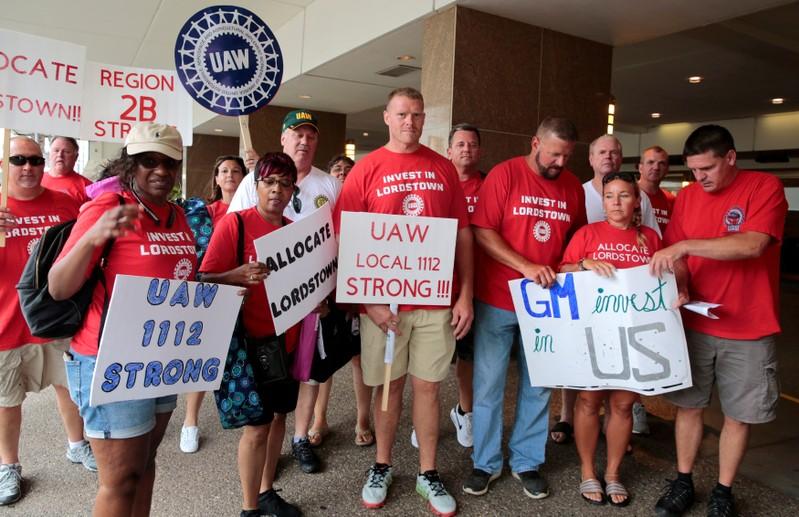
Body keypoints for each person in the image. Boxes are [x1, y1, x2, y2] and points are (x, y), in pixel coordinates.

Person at [333, 87, 474, 516]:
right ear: (386, 117)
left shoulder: (443, 168)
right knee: (389, 388)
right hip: (385, 307)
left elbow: (463, 233)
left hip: (434, 302)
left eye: (416, 114)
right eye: (401, 114)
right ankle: (382, 465)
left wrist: (465, 294)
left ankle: (428, 473)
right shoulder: (367, 169)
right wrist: (365, 304)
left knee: (429, 389)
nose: (409, 121)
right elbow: (345, 240)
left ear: (423, 118)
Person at [48, 123, 195, 516]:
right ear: (130, 164)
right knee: (119, 481)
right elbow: (58, 286)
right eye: (150, 161)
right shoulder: (107, 207)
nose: (161, 171)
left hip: (161, 358)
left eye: (170, 163)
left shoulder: (176, 215)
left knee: (144, 466)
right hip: (109, 358)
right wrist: (95, 234)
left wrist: (224, 280)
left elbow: (177, 279)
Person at [651, 125, 787, 517]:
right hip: (696, 324)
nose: (700, 178)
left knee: (739, 414)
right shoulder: (689, 197)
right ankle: (682, 480)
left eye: (707, 168)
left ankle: (723, 491)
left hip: (748, 326)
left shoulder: (763, 187)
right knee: (688, 406)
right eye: (693, 170)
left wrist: (685, 245)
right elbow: (678, 259)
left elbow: (753, 243)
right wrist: (679, 282)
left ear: (730, 157)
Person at [464, 117, 586, 500]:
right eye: (553, 154)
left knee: (539, 384)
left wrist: (571, 266)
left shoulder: (571, 187)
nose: (560, 163)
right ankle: (485, 462)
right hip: (499, 298)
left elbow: (576, 240)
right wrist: (526, 266)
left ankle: (527, 461)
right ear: (535, 142)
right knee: (488, 385)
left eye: (566, 156)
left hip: (546, 304)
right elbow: (483, 232)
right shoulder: (503, 175)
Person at [229, 110, 341, 475]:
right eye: (297, 134)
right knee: (270, 373)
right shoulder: (253, 181)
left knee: (307, 369)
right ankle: (264, 447)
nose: (304, 141)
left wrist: (330, 288)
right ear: (283, 139)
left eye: (310, 136)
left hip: (310, 293)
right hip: (262, 296)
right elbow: (237, 227)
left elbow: (338, 238)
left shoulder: (329, 185)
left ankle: (301, 437)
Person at [201, 152, 302, 517]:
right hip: (248, 345)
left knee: (277, 418)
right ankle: (249, 509)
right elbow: (205, 278)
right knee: (257, 427)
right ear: (256, 185)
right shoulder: (236, 225)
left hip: (286, 343)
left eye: (285, 184)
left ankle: (266, 491)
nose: (277, 190)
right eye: (269, 182)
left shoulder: (294, 230)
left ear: (293, 190)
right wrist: (238, 274)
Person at [0, 137, 95, 506]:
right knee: (8, 402)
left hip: (54, 320)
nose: (28, 167)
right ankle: (9, 465)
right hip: (7, 324)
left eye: (35, 160)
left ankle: (78, 444)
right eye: (18, 159)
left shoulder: (63, 204)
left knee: (69, 389)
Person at [560, 171, 663, 507]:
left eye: (623, 196)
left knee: (622, 404)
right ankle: (588, 469)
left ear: (637, 202)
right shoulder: (587, 234)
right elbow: (560, 271)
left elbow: (663, 283)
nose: (615, 203)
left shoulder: (650, 238)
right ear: (601, 201)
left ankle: (614, 473)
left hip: (633, 336)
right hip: (593, 332)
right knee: (589, 402)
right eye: (609, 196)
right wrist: (583, 263)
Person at [551, 133, 660, 446]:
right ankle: (567, 417)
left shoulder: (645, 219)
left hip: (631, 316)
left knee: (622, 397)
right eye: (602, 151)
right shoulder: (579, 193)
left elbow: (654, 248)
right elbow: (567, 260)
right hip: (590, 311)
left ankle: (619, 432)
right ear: (590, 157)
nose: (608, 157)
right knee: (587, 390)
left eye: (614, 152)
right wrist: (584, 263)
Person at [179, 154, 246, 454]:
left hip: (246, 296)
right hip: (210, 294)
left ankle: (243, 414)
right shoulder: (200, 213)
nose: (230, 175)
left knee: (241, 359)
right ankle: (190, 421)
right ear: (216, 179)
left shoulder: (252, 213)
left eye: (236, 170)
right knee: (203, 358)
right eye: (224, 171)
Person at [310, 154, 375, 449]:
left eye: (350, 169)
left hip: (361, 287)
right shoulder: (320, 205)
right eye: (337, 169)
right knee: (325, 356)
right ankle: (319, 418)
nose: (344, 173)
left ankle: (363, 419)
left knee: (361, 358)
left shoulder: (366, 199)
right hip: (329, 286)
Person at [446, 123, 483, 448]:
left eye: (472, 145)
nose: (466, 150)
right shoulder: (439, 186)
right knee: (432, 355)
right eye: (460, 144)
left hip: (478, 286)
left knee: (467, 355)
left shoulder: (488, 187)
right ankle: (424, 414)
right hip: (438, 285)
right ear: (449, 151)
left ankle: (466, 411)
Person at [41, 136, 92, 205]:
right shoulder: (36, 180)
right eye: (56, 150)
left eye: (66, 152)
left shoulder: (88, 187)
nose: (60, 155)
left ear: (76, 157)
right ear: (49, 154)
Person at [638, 145, 675, 234]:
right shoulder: (628, 195)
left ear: (667, 170)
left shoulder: (671, 200)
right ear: (640, 168)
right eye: (651, 162)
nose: (656, 167)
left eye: (661, 163)